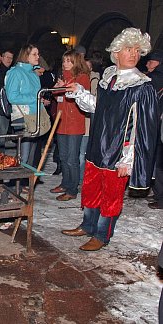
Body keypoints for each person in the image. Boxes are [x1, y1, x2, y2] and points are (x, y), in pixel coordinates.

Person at [61, 28, 159, 251]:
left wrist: (129, 159)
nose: (133, 54)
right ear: (116, 52)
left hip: (118, 153)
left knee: (111, 197)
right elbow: (98, 107)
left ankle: (101, 235)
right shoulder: (109, 78)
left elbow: (143, 128)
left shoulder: (142, 86)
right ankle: (87, 225)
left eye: (136, 50)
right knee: (91, 189)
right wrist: (79, 92)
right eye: (128, 49)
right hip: (98, 146)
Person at [50, 50, 90, 201]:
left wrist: (64, 87)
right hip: (61, 123)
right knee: (63, 156)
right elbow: (56, 95)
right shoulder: (63, 76)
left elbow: (80, 95)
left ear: (76, 62)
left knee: (72, 158)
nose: (65, 64)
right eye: (64, 61)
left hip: (74, 124)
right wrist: (58, 87)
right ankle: (65, 183)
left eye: (69, 61)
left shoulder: (82, 78)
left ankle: (72, 189)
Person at [5, 44, 47, 167]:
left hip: (36, 115)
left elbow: (35, 94)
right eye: (34, 54)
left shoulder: (34, 73)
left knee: (33, 154)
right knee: (24, 154)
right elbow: (12, 97)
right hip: (23, 116)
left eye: (38, 54)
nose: (37, 56)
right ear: (26, 56)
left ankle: (26, 182)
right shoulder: (16, 72)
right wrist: (35, 98)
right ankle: (17, 182)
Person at [145, 50, 163, 209]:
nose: (147, 64)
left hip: (158, 125)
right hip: (158, 124)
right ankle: (158, 192)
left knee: (159, 162)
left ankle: (161, 196)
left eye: (150, 61)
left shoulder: (157, 77)